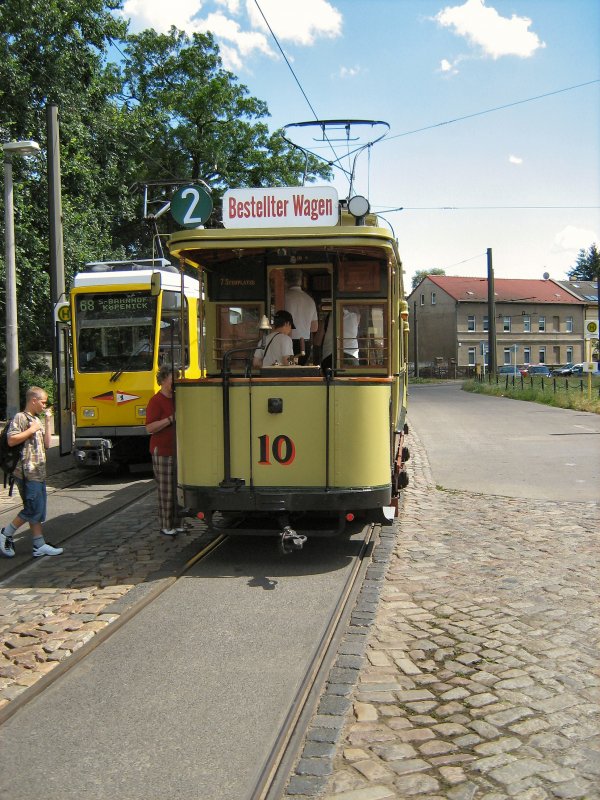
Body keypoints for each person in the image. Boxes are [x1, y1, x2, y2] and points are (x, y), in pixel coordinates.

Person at [0, 387, 64, 558]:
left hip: (39, 471)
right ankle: (5, 533)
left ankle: (38, 544)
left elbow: (47, 445)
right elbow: (11, 440)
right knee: (33, 508)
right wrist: (32, 429)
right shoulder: (21, 418)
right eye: (43, 402)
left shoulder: (36, 420)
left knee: (38, 510)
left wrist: (47, 422)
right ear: (33, 400)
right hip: (26, 471)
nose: (44, 406)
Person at [145, 365, 183, 537]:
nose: (174, 382)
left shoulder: (176, 398)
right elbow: (150, 428)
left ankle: (178, 521)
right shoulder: (155, 401)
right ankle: (165, 524)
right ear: (163, 380)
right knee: (166, 490)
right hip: (162, 450)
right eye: (172, 379)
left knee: (178, 488)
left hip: (178, 450)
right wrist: (170, 420)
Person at [284, 270, 318, 365]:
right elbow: (314, 328)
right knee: (299, 371)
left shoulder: (283, 297)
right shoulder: (310, 300)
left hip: (287, 342)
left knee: (286, 371)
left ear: (285, 281)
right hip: (304, 344)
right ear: (301, 281)